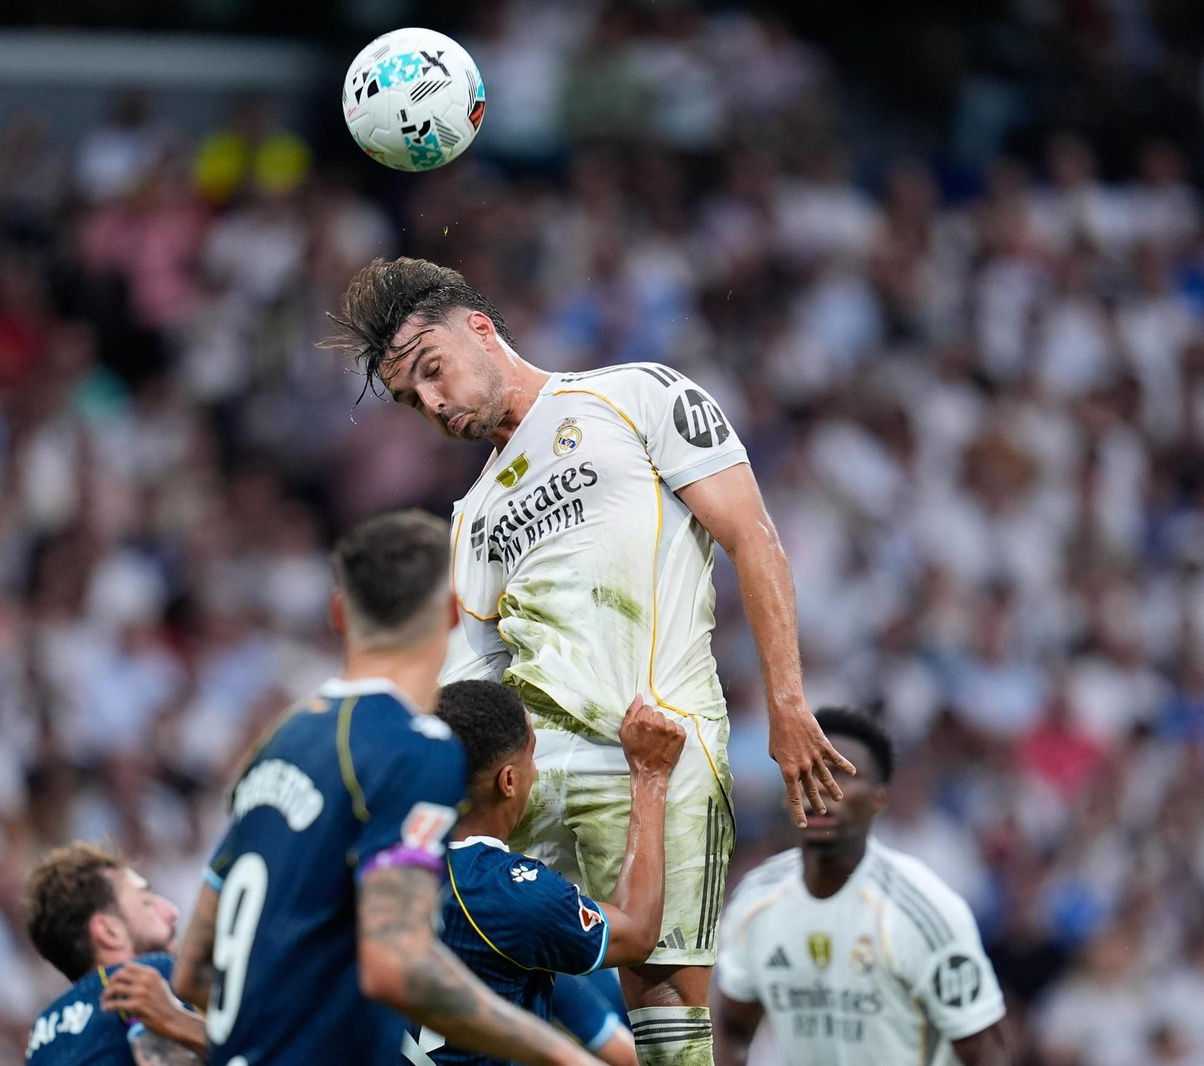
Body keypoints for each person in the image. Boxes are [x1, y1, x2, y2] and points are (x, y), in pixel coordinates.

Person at [325, 257, 854, 1065]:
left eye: (432, 373)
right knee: (491, 997)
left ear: (480, 328)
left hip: (651, 747)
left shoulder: (635, 394)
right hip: (524, 784)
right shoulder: (473, 516)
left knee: (666, 1007)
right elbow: (472, 687)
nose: (432, 405)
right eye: (411, 400)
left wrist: (786, 705)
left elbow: (753, 536)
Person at [171, 510, 604, 1066]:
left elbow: (192, 971)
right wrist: (561, 1055)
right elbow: (397, 964)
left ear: (338, 615)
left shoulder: (277, 742)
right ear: (451, 615)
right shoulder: (413, 747)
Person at [407, 679, 687, 1066]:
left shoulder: (379, 856)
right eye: (532, 756)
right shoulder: (508, 891)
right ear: (508, 781)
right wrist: (650, 776)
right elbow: (637, 933)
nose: (536, 772)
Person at [713, 709, 1010, 1066]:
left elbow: (985, 1050)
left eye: (842, 773)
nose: (821, 786)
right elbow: (732, 1030)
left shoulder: (925, 911)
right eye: (807, 769)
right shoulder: (755, 900)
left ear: (878, 800)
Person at [23, 843, 206, 1065]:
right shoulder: (149, 977)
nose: (171, 911)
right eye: (146, 902)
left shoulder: (40, 1037)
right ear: (109, 932)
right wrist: (177, 1019)